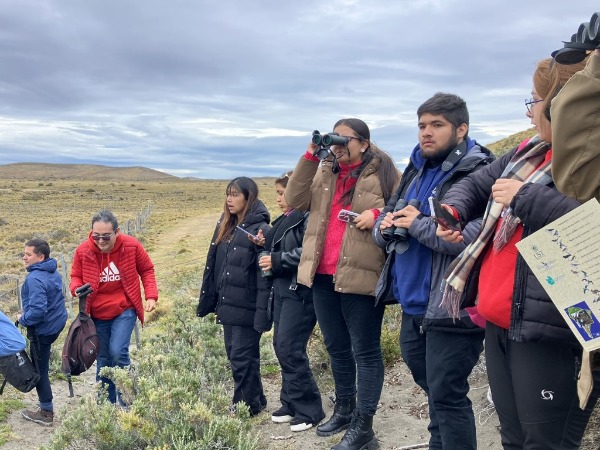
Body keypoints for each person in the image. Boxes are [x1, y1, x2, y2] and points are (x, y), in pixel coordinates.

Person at [437, 57, 600, 449]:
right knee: (513, 438)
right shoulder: (530, 152)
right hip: (503, 320)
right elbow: (479, 183)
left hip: (552, 331)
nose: (530, 112)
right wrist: (455, 208)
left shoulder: (587, 163)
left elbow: (592, 228)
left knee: (546, 442)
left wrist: (526, 198)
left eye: (536, 100)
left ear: (563, 104)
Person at [373, 93, 494, 450]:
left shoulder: (478, 171)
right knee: (435, 390)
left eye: (437, 125)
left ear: (461, 129)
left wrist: (417, 225)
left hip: (452, 305)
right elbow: (391, 213)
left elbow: (473, 239)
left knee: (448, 394)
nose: (426, 133)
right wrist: (384, 227)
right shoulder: (416, 167)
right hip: (414, 304)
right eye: (422, 125)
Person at [285, 118, 399, 450]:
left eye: (344, 139)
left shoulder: (384, 172)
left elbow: (405, 207)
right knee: (336, 348)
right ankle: (345, 409)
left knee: (365, 351)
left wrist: (377, 216)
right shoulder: (325, 169)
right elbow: (295, 198)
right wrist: (310, 155)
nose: (337, 145)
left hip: (361, 274)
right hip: (322, 274)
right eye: (334, 138)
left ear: (363, 143)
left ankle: (364, 427)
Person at [254, 171, 325, 432]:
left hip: (301, 291)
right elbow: (284, 245)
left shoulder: (310, 216)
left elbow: (310, 251)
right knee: (281, 345)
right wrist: (264, 244)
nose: (279, 199)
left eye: (283, 193)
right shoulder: (288, 218)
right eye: (277, 193)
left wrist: (277, 260)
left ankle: (310, 408)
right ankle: (291, 401)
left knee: (290, 347)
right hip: (284, 288)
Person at [197, 177, 271, 416]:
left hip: (247, 304)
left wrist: (261, 246)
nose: (229, 199)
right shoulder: (226, 225)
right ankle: (256, 400)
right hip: (228, 302)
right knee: (238, 355)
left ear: (249, 198)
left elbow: (265, 273)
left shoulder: (261, 229)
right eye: (228, 194)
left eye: (236, 194)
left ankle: (244, 407)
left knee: (241, 356)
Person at [70, 209, 157, 405]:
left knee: (118, 352)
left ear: (116, 231)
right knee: (104, 357)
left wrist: (150, 296)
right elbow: (75, 275)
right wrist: (76, 288)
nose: (100, 241)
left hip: (124, 309)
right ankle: (105, 407)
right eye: (96, 236)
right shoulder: (83, 250)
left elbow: (147, 269)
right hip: (96, 314)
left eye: (105, 237)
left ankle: (127, 401)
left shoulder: (131, 246)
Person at [17, 238, 67, 426]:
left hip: (42, 330)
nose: (24, 257)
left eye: (28, 254)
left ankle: (46, 412)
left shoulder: (35, 278)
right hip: (54, 325)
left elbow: (38, 311)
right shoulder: (51, 271)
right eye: (24, 253)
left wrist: (23, 318)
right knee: (42, 366)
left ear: (41, 256)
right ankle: (45, 408)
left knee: (40, 370)